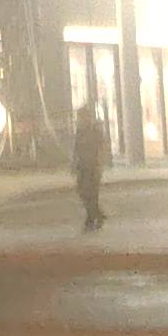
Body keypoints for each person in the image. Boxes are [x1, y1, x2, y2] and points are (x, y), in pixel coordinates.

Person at [70, 95, 109, 235]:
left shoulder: (95, 130)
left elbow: (101, 148)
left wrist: (100, 164)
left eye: (81, 117)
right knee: (82, 192)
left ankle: (91, 219)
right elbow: (76, 149)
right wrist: (73, 164)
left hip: (93, 166)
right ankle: (97, 215)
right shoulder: (80, 132)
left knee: (91, 193)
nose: (79, 120)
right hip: (82, 166)